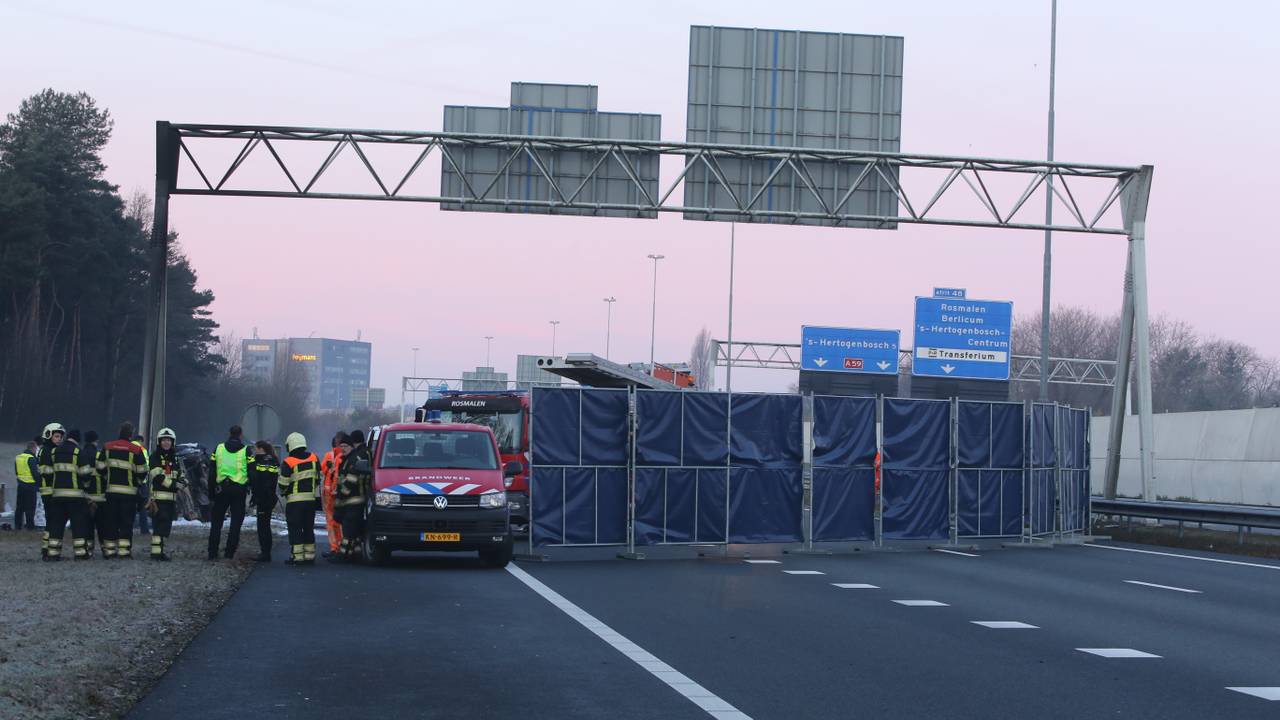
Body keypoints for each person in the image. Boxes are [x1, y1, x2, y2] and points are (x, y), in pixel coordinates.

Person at [97, 422, 149, 559]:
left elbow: (100, 467)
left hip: (111, 493)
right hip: (129, 494)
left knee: (110, 522)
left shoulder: (107, 447)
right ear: (131, 435)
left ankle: (109, 551)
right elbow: (143, 471)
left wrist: (107, 478)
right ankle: (124, 552)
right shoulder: (136, 450)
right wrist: (136, 483)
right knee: (126, 523)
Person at [46, 429, 92, 561]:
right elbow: (86, 474)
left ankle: (53, 553)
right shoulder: (78, 452)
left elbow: (48, 473)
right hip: (75, 497)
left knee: (56, 525)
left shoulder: (54, 452)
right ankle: (80, 553)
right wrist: (85, 486)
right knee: (79, 525)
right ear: (78, 439)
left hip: (57, 496)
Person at [208, 425, 252, 560]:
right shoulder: (246, 450)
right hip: (239, 490)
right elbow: (253, 471)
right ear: (240, 435)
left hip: (221, 489)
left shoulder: (218, 448)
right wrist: (251, 489)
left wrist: (211, 493)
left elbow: (211, 472)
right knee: (235, 523)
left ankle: (213, 552)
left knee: (216, 523)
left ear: (229, 433)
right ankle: (229, 553)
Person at [278, 432, 320, 566]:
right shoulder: (314, 458)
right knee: (308, 527)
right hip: (310, 500)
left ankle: (297, 557)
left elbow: (283, 483)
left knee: (295, 528)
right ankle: (310, 555)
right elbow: (318, 479)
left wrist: (284, 492)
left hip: (295, 502)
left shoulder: (288, 462)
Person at [146, 428, 186, 561]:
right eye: (164, 440)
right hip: (158, 498)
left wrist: (183, 482)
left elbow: (181, 474)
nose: (166, 443)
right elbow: (157, 476)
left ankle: (160, 551)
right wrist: (174, 485)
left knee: (165, 526)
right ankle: (156, 553)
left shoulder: (175, 458)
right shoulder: (154, 457)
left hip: (171, 500)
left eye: (168, 440)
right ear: (159, 442)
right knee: (159, 525)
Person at [332, 430, 370, 562]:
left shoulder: (354, 459)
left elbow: (351, 480)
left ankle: (343, 556)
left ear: (351, 446)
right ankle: (356, 554)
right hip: (351, 500)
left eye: (345, 446)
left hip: (353, 500)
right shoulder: (349, 459)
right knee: (354, 532)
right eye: (341, 446)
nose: (342, 449)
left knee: (348, 531)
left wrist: (340, 495)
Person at [248, 441, 280, 563]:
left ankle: (265, 554)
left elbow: (260, 481)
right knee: (264, 525)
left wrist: (257, 496)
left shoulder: (263, 461)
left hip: (264, 498)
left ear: (261, 449)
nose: (254, 451)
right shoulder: (271, 460)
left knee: (263, 526)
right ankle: (265, 552)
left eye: (256, 448)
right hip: (268, 497)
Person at [37, 423, 65, 558]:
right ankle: (48, 550)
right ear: (48, 435)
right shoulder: (47, 451)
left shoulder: (49, 450)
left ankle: (46, 548)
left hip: (50, 490)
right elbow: (46, 472)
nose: (59, 439)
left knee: (51, 521)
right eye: (57, 436)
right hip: (49, 491)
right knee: (53, 520)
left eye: (60, 437)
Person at [80, 430, 108, 557]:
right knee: (102, 526)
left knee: (87, 526)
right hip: (100, 497)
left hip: (85, 497)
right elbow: (105, 474)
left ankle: (89, 550)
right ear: (95, 441)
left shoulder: (80, 454)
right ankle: (105, 549)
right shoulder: (98, 455)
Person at [320, 432, 347, 557]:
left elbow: (323, 470)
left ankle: (335, 547)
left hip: (329, 494)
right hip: (340, 493)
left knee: (331, 522)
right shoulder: (345, 455)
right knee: (340, 521)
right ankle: (342, 546)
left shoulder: (329, 455)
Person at [13, 441, 39, 531]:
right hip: (30, 486)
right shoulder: (31, 458)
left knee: (19, 507)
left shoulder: (18, 457)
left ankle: (17, 526)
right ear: (33, 448)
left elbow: (16, 472)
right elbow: (35, 474)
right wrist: (39, 484)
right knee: (30, 508)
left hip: (20, 485)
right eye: (36, 448)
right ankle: (30, 527)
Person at [133, 434, 152, 535]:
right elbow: (146, 467)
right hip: (141, 483)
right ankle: (144, 530)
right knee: (142, 507)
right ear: (141, 441)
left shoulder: (127, 448)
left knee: (129, 506)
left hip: (129, 482)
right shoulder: (142, 450)